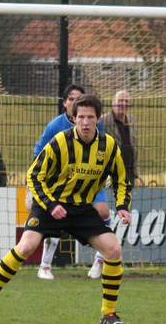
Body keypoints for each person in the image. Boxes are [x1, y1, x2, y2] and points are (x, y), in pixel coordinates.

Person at [0, 93, 133, 324]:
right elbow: (34, 176)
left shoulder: (109, 146)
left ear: (98, 119)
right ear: (74, 118)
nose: (85, 122)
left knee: (114, 249)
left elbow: (121, 179)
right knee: (25, 247)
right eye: (81, 117)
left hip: (81, 208)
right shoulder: (60, 142)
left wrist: (122, 206)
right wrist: (51, 204)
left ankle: (108, 314)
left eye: (90, 117)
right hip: (49, 205)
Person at [31, 84, 109, 280]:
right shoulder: (55, 125)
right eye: (72, 99)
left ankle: (100, 260)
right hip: (61, 183)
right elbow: (39, 153)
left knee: (104, 212)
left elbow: (103, 148)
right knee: (55, 218)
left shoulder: (95, 123)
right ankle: (45, 266)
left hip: (89, 179)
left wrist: (105, 172)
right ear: (65, 103)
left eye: (79, 99)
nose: (76, 102)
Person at [100, 90, 142, 187]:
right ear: (113, 102)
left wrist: (136, 173)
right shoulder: (103, 121)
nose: (123, 104)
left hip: (129, 173)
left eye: (126, 101)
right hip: (111, 174)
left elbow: (134, 148)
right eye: (120, 100)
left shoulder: (132, 120)